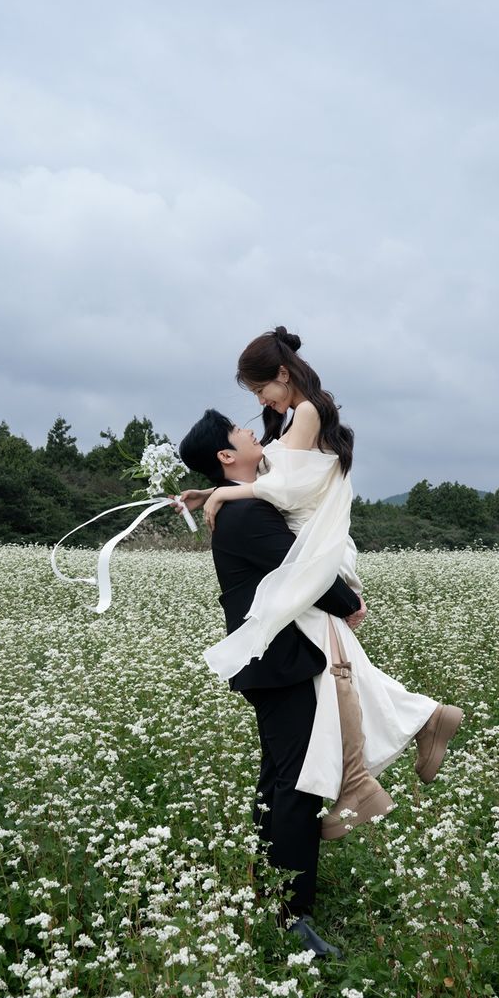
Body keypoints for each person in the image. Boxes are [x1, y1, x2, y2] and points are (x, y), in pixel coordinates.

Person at [179, 327, 463, 840]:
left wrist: (226, 496)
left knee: (341, 676)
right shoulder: (291, 420)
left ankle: (384, 757)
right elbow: (261, 474)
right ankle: (391, 750)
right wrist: (215, 491)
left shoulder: (305, 413)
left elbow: (286, 484)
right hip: (311, 547)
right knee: (344, 671)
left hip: (318, 542)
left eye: (258, 390)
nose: (256, 407)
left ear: (281, 375)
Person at [178, 408, 365, 957]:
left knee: (280, 776)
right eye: (239, 431)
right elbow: (298, 571)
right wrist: (348, 602)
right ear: (225, 457)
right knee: (295, 781)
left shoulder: (244, 503)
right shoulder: (245, 516)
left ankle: (273, 893)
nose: (254, 432)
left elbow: (286, 427)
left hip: (274, 663)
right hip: (277, 663)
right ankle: (291, 916)